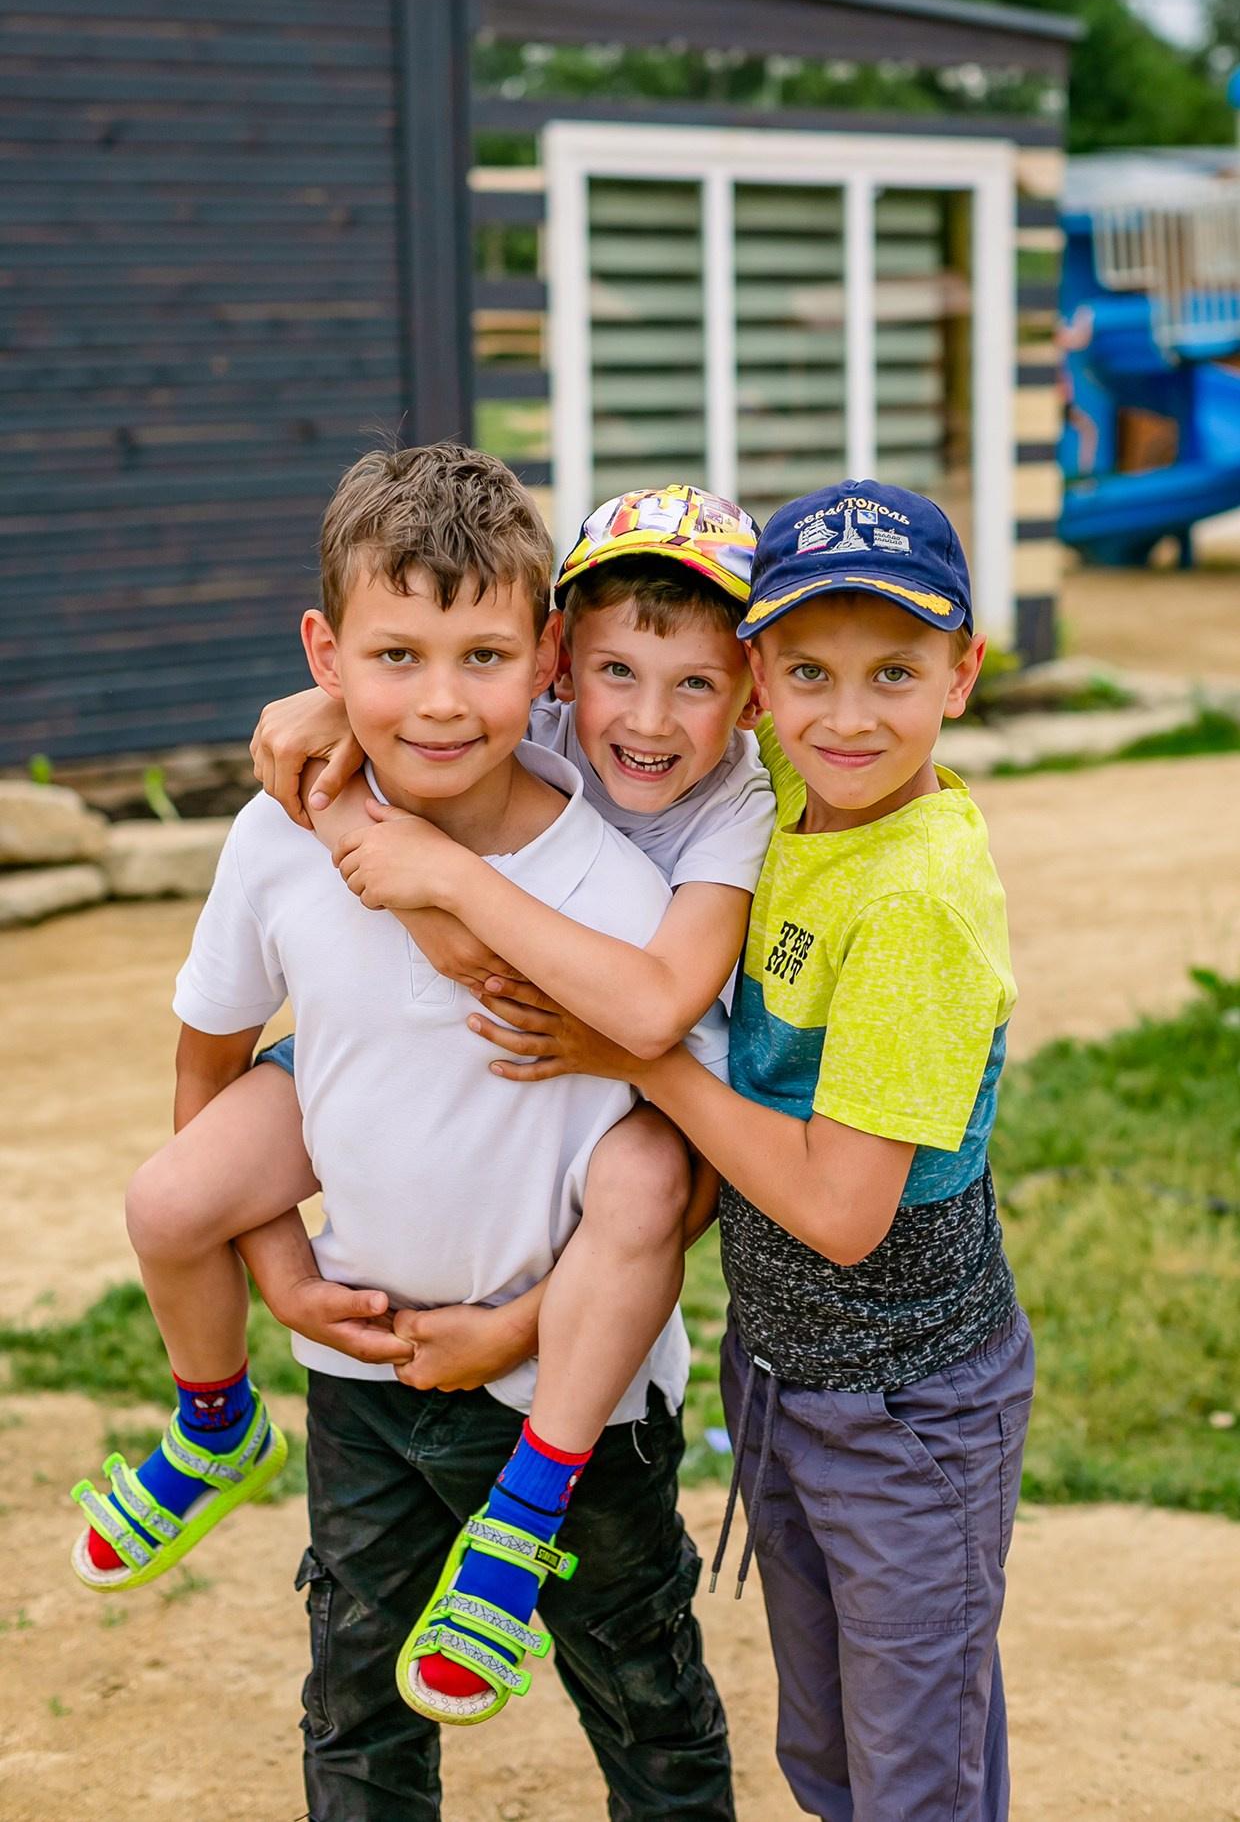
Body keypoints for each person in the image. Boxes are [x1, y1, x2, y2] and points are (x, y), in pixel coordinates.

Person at [71, 445, 737, 1818]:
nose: (440, 701)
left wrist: (523, 1327)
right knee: (357, 1704)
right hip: (361, 1366)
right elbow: (216, 1064)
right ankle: (210, 1429)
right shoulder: (279, 836)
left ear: (543, 654)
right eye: (396, 657)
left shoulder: (613, 882)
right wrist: (282, 1279)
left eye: (483, 656)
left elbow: (676, 1173)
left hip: (573, 1395)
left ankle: (527, 1524)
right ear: (327, 656)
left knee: (642, 1698)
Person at [469, 480, 1036, 1822]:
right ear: (760, 687)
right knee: (833, 1761)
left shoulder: (915, 904)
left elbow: (843, 1210)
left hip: (909, 1413)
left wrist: (645, 1056)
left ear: (961, 675)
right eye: (809, 672)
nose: (848, 714)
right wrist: (324, 709)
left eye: (895, 672)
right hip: (786, 1377)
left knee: (915, 1785)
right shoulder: (798, 783)